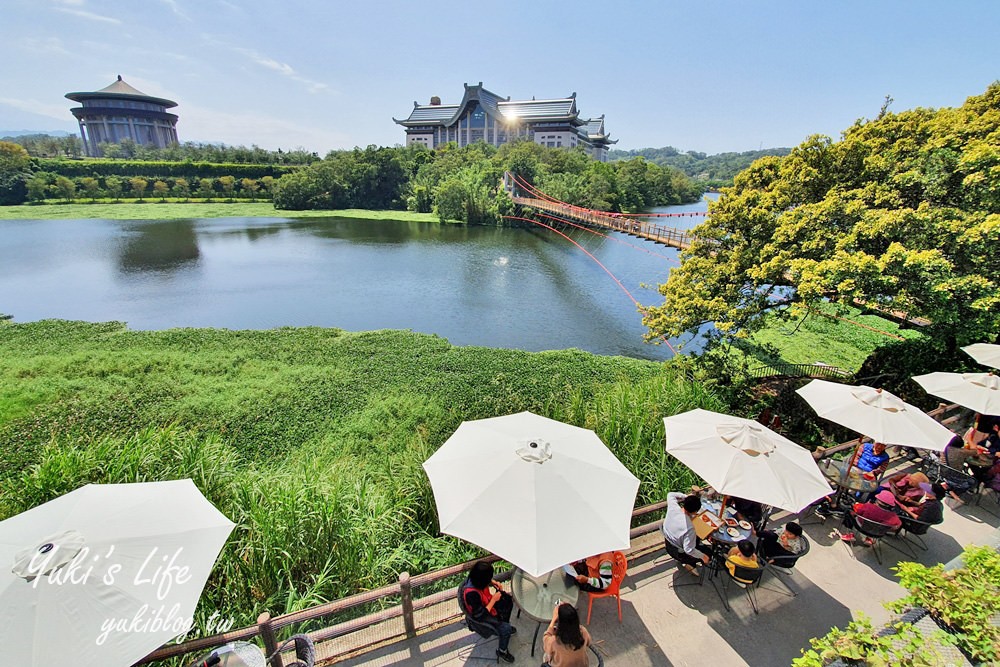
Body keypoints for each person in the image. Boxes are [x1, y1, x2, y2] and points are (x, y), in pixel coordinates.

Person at [460, 560, 516, 663]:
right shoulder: (472, 594)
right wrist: (494, 599)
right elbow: (479, 615)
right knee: (506, 629)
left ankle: (504, 623)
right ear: (482, 580)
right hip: (482, 617)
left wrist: (492, 582)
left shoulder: (474, 577)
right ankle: (502, 651)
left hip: (488, 605)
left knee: (507, 601)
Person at [662, 492, 713, 577]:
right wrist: (703, 556)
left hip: (668, 543)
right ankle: (689, 563)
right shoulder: (689, 528)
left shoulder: (673, 508)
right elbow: (689, 550)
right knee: (708, 552)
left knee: (695, 539)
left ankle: (690, 563)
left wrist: (687, 497)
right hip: (678, 553)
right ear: (695, 512)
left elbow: (670, 494)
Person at [541, 602, 591, 667]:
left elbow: (546, 639)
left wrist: (553, 620)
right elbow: (589, 642)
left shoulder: (554, 641)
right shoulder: (583, 632)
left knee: (546, 655)